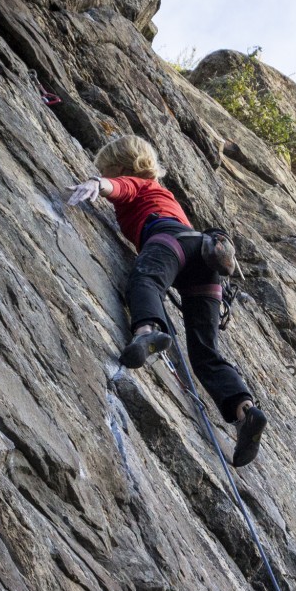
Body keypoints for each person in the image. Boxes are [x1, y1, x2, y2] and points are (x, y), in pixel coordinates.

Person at [67, 134, 267, 467]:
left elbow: (121, 189)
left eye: (109, 169)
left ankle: (146, 331)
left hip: (169, 239)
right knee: (205, 350)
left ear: (120, 166)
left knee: (146, 278)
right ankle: (244, 410)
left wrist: (96, 183)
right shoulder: (165, 193)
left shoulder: (138, 184)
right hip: (203, 259)